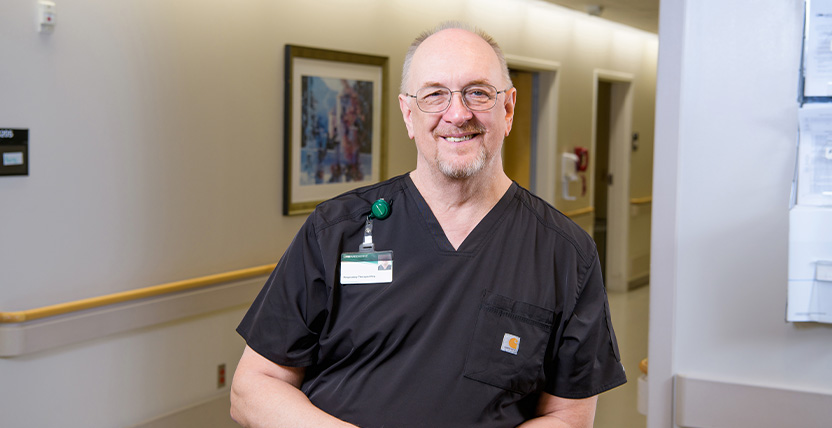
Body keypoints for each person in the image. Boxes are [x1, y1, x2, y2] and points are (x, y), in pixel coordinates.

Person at [230, 22, 626, 428]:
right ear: (408, 113)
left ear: (507, 109)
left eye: (478, 92)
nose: (457, 114)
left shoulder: (565, 253)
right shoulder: (335, 231)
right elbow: (253, 388)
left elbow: (568, 416)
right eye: (435, 94)